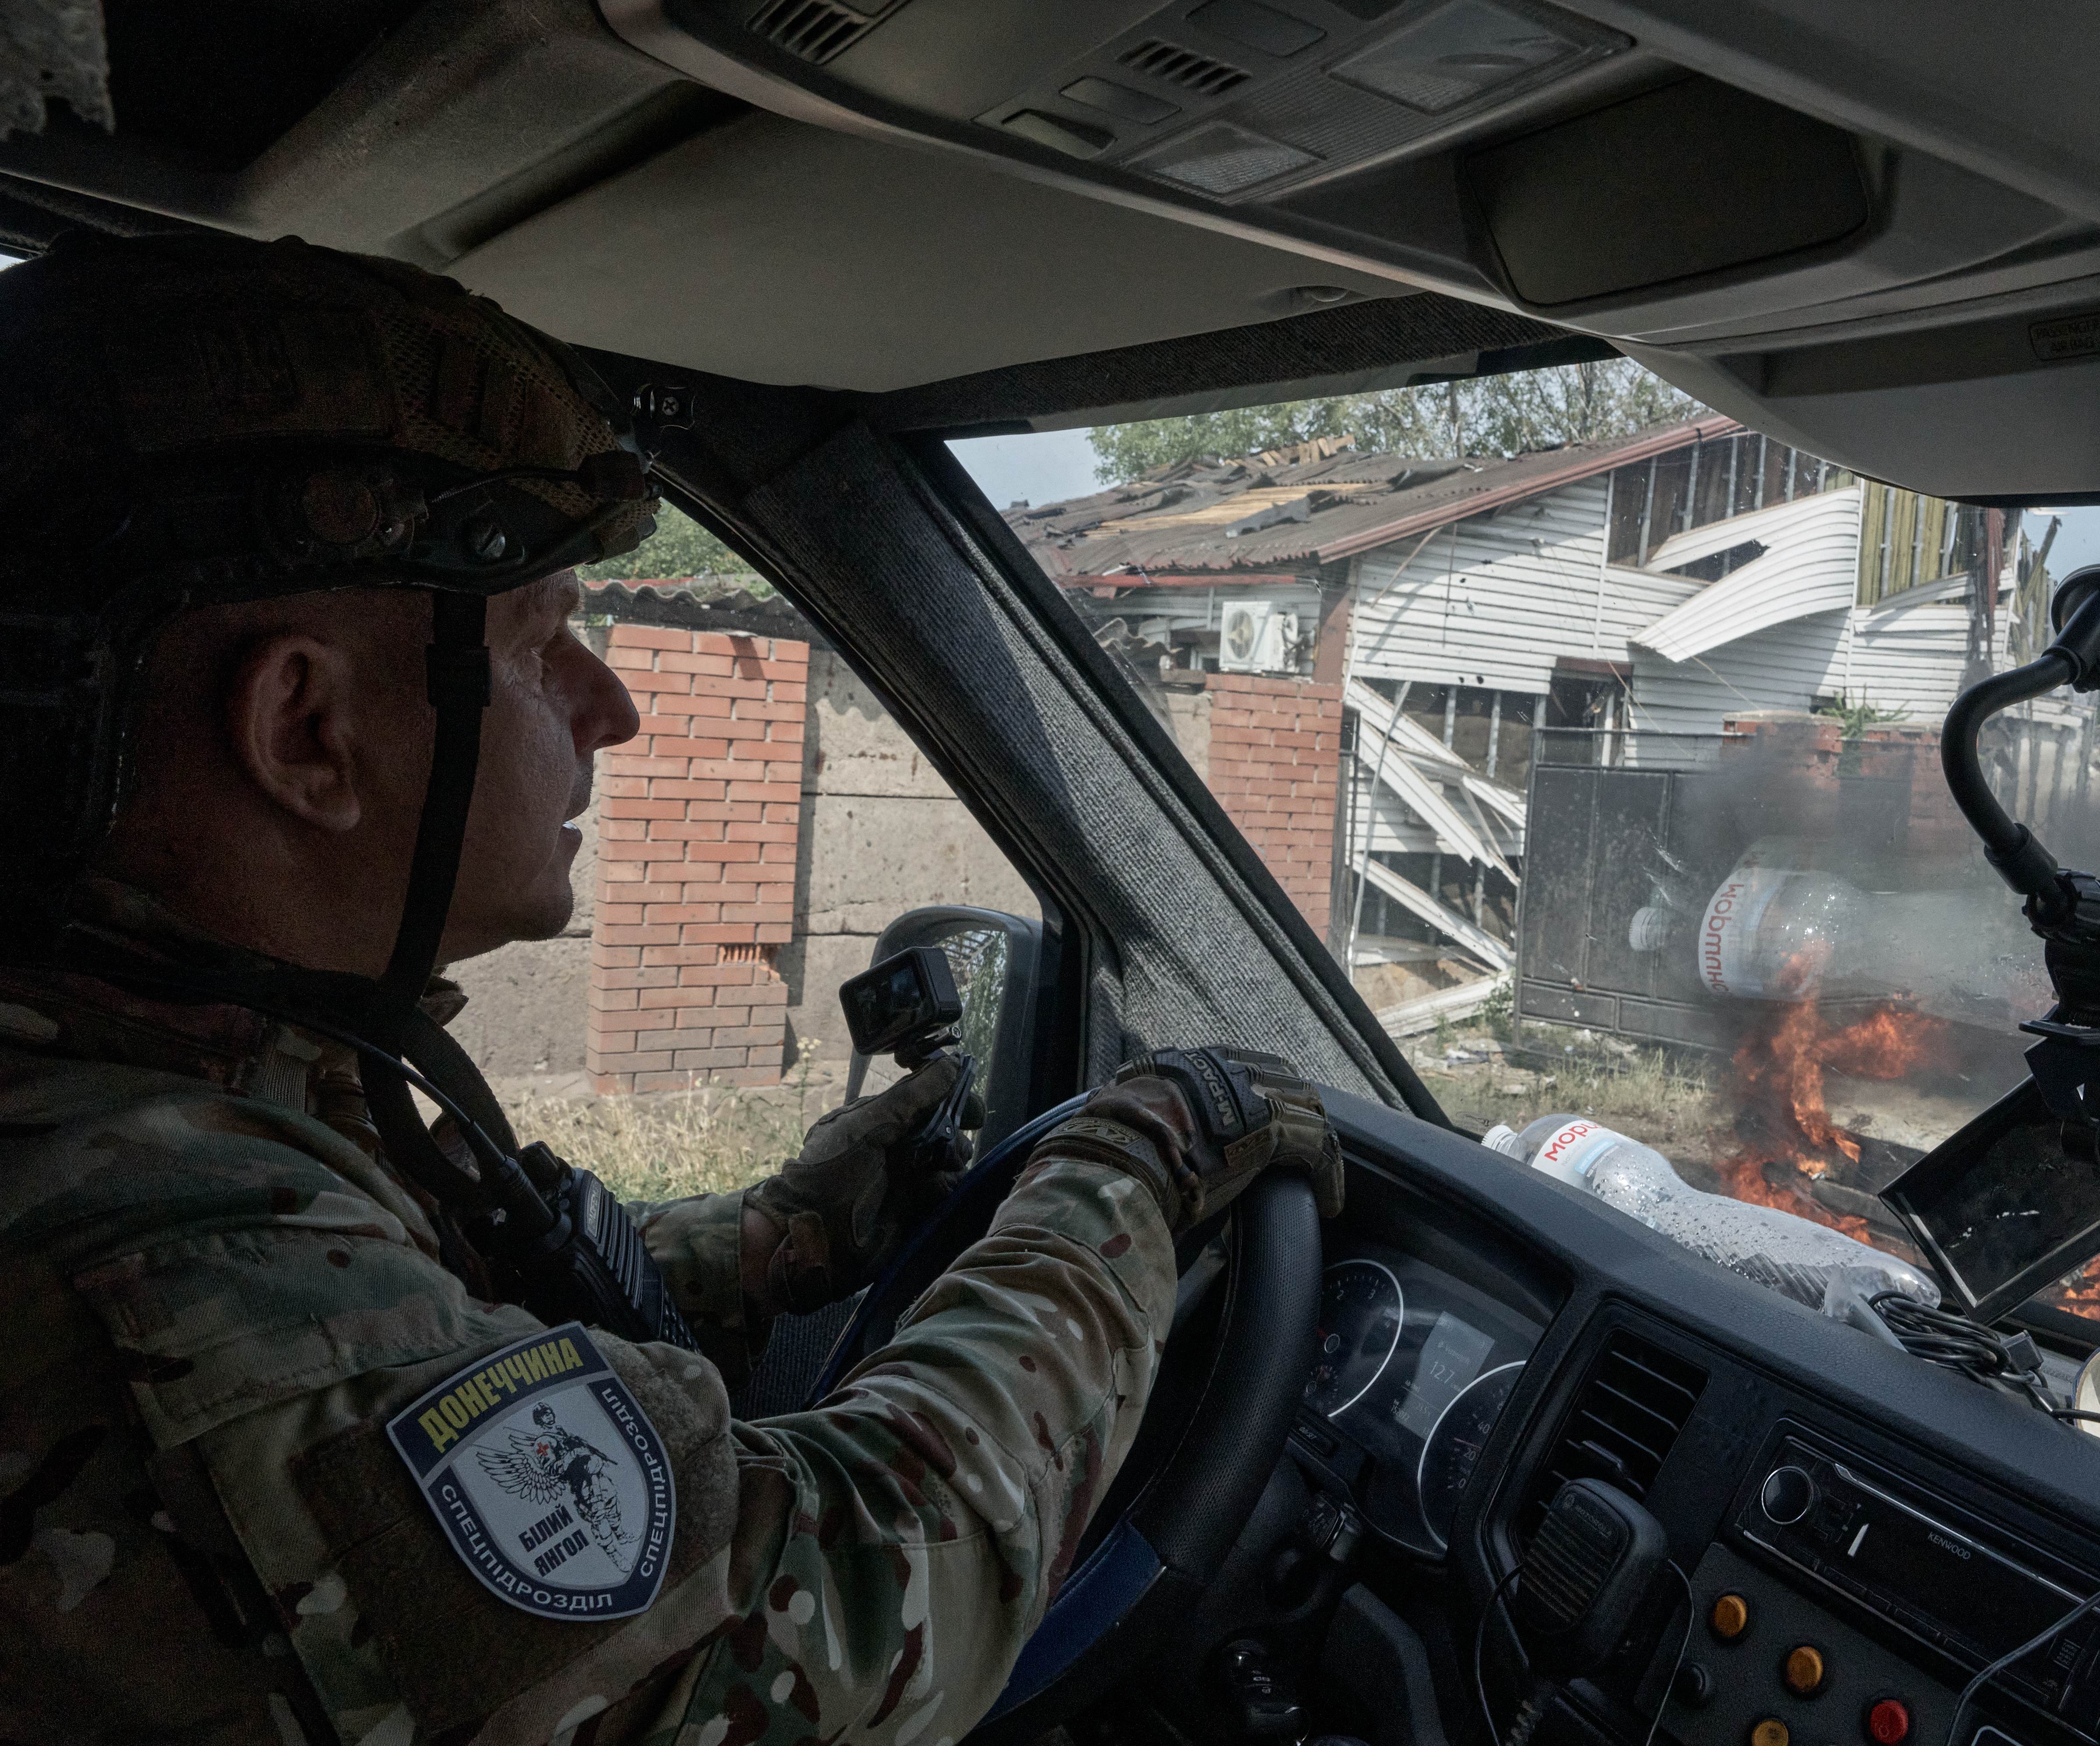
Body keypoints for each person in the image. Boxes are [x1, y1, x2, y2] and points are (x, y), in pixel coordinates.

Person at [0, 231, 1345, 1745]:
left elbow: (444, 1349)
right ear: (307, 731)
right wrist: (1134, 1174)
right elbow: (847, 1610)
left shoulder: (182, 1083)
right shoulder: (150, 1259)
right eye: (541, 641)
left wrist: (772, 1244)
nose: (617, 707)